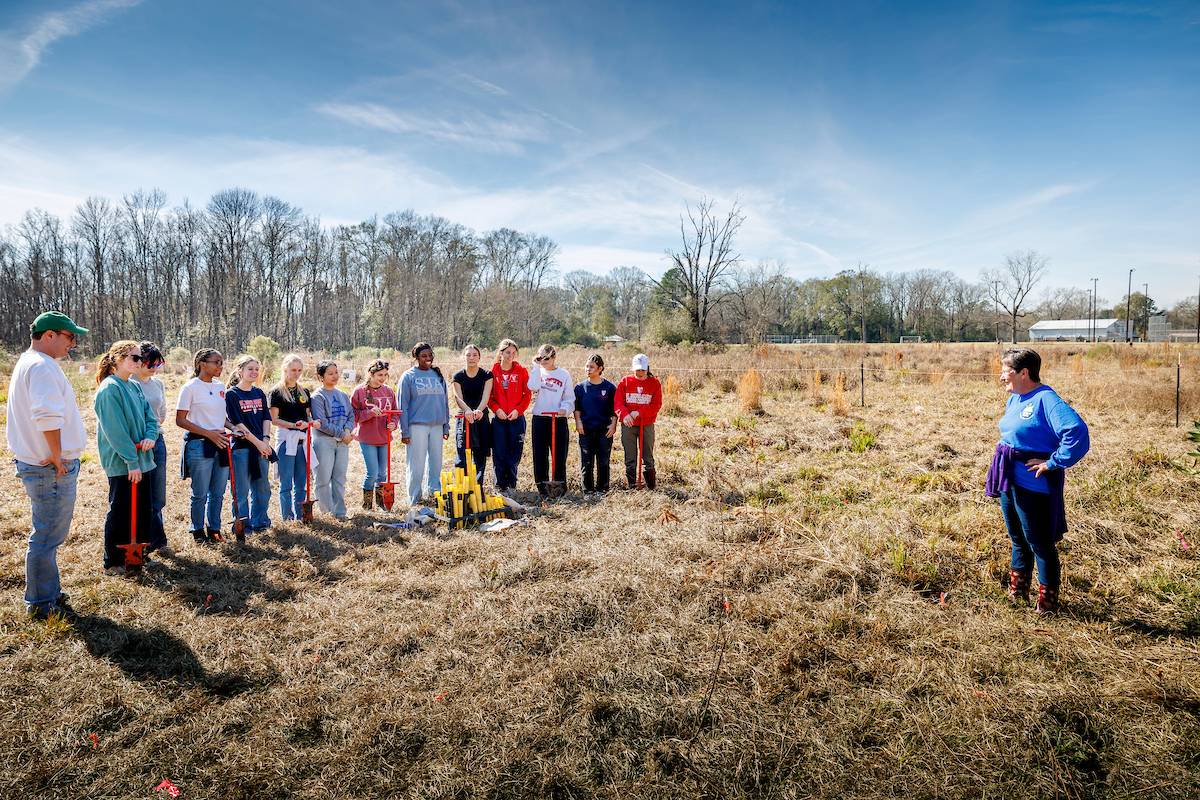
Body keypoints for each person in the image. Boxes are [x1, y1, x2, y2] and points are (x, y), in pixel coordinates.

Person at [985, 348, 1090, 614]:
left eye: (1005, 371)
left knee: (1040, 542)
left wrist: (1052, 462)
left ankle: (1047, 603)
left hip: (1033, 483)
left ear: (1024, 372)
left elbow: (1076, 432)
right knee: (1017, 538)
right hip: (1009, 477)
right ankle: (1018, 592)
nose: (1001, 377)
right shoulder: (1015, 399)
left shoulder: (1046, 399)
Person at [5, 312, 88, 619]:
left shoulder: (30, 362)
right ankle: (41, 603)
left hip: (40, 464)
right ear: (49, 335)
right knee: (47, 536)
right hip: (50, 467)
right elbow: (47, 415)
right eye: (70, 337)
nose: (73, 344)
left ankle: (48, 592)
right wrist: (56, 455)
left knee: (48, 535)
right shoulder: (41, 366)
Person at [93, 341, 163, 576]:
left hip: (144, 459)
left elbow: (151, 418)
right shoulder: (109, 389)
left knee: (144, 509)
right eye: (135, 358)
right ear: (118, 359)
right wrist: (131, 462)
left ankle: (138, 554)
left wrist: (151, 436)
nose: (140, 362)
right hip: (123, 462)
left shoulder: (133, 386)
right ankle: (113, 561)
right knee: (121, 509)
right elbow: (115, 431)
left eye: (140, 358)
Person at [176, 349, 232, 544]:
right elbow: (180, 420)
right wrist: (209, 434)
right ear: (202, 363)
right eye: (216, 362)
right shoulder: (190, 388)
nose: (220, 366)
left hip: (221, 442)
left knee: (218, 492)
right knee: (200, 493)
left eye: (221, 362)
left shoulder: (220, 387)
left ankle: (214, 529)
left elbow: (221, 417)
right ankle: (198, 531)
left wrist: (233, 427)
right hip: (199, 444)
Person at [225, 355, 275, 536]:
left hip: (262, 446)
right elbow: (238, 423)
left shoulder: (259, 393)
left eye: (256, 369)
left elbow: (266, 418)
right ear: (240, 371)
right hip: (242, 448)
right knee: (241, 489)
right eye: (250, 369)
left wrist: (266, 441)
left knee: (262, 487)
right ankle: (243, 526)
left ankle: (260, 522)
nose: (254, 372)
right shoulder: (232, 394)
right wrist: (258, 443)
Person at [269, 354, 320, 522]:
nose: (296, 373)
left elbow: (307, 415)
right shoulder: (277, 392)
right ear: (285, 369)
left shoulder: (304, 391)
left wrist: (312, 422)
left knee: (301, 482)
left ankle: (301, 515)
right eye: (293, 370)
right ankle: (287, 518)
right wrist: (293, 425)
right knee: (286, 484)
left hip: (303, 441)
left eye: (299, 370)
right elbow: (274, 419)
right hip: (286, 440)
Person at [398, 342, 450, 506]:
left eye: (430, 355)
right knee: (416, 464)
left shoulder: (437, 375)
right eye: (423, 356)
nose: (428, 358)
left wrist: (446, 425)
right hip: (417, 425)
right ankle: (414, 498)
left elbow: (445, 403)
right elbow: (402, 406)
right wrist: (404, 431)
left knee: (436, 463)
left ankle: (434, 493)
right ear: (416, 357)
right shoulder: (408, 376)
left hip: (437, 425)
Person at [133, 342, 171, 549]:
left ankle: (156, 539)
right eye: (150, 362)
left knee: (158, 495)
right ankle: (148, 541)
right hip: (137, 444)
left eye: (158, 363)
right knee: (141, 495)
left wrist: (152, 431)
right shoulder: (129, 383)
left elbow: (162, 413)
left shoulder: (158, 384)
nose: (153, 367)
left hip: (157, 441)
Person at [527, 344, 574, 497]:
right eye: (540, 357)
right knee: (540, 454)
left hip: (558, 419)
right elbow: (532, 387)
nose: (543, 361)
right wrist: (535, 367)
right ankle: (543, 488)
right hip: (540, 418)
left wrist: (564, 409)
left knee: (559, 454)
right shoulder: (538, 372)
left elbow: (569, 398)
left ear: (554, 357)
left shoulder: (564, 374)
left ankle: (559, 488)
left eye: (546, 358)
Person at [350, 360, 397, 510]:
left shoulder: (389, 391)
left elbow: (395, 412)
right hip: (367, 437)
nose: (383, 378)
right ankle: (367, 505)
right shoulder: (359, 391)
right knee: (372, 472)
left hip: (384, 437)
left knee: (382, 474)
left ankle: (381, 503)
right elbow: (353, 414)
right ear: (371, 374)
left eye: (385, 375)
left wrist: (393, 423)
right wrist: (369, 413)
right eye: (379, 375)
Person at [311, 360, 354, 519]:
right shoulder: (317, 397)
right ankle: (327, 512)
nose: (335, 376)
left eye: (336, 372)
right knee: (323, 477)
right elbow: (322, 422)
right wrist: (342, 434)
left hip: (343, 442)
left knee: (339, 478)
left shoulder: (342, 395)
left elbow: (351, 415)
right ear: (320, 376)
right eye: (330, 373)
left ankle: (340, 512)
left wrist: (347, 431)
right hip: (324, 441)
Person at [488, 339, 531, 494]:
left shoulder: (522, 371)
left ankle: (511, 484)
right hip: (499, 419)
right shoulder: (492, 372)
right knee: (499, 451)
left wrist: (518, 411)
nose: (511, 355)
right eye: (507, 352)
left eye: (513, 352)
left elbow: (527, 395)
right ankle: (500, 485)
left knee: (514, 452)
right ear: (500, 353)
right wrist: (496, 409)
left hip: (516, 418)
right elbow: (489, 396)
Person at [615, 353, 662, 490]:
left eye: (642, 370)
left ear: (647, 368)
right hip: (628, 424)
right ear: (633, 368)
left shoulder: (654, 383)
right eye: (637, 370)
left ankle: (651, 487)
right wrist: (624, 415)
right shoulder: (625, 382)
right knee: (630, 456)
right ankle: (632, 485)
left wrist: (639, 412)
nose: (640, 373)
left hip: (646, 424)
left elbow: (656, 404)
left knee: (648, 456)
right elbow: (618, 402)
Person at [574, 354, 617, 494]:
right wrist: (578, 423)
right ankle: (588, 490)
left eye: (591, 367)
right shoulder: (580, 387)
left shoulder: (609, 388)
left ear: (600, 368)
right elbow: (577, 408)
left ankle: (602, 489)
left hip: (604, 430)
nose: (588, 369)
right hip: (586, 430)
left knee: (603, 461)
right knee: (586, 462)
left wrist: (613, 425)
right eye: (587, 366)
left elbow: (614, 409)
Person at [452, 345, 493, 484]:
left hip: (481, 415)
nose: (471, 358)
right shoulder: (458, 376)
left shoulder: (487, 375)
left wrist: (479, 410)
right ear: (463, 357)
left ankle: (477, 487)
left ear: (479, 357)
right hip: (464, 416)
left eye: (475, 355)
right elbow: (458, 397)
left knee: (480, 454)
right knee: (462, 454)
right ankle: (462, 488)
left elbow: (486, 396)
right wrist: (467, 410)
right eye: (468, 355)